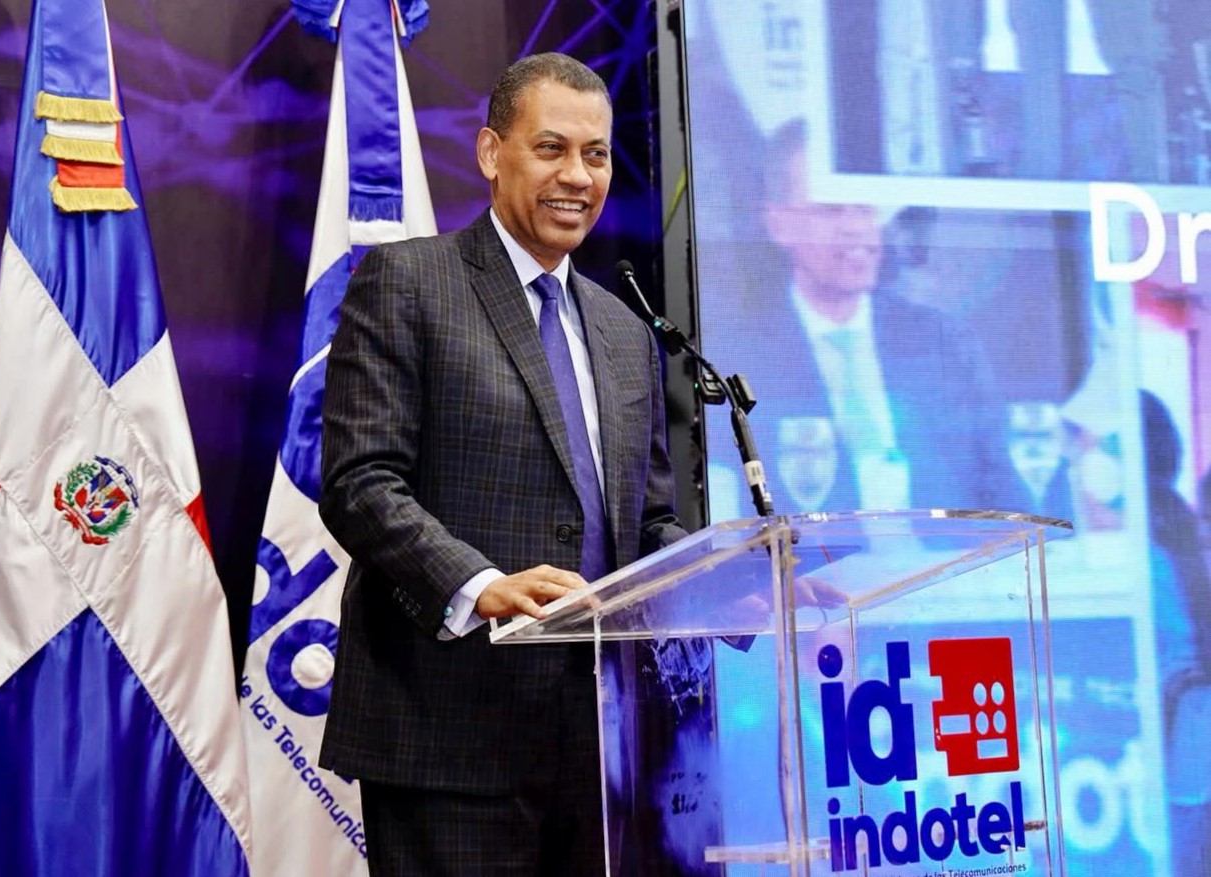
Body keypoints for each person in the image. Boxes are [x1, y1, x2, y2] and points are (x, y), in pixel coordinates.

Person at [317, 52, 687, 877]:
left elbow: (647, 520)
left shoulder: (625, 331)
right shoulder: (409, 282)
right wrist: (479, 583)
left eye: (596, 154)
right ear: (491, 152)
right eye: (551, 148)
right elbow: (359, 482)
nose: (578, 176)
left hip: (599, 747)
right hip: (449, 732)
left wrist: (735, 579)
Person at [706, 120, 1027, 518]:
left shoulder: (944, 342)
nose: (856, 229)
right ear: (779, 223)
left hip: (948, 555)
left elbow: (1001, 486)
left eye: (864, 208)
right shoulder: (736, 358)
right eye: (831, 210)